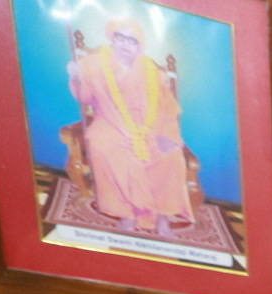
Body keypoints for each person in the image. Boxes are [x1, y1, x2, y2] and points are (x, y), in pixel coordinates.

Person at [69, 18, 190, 236]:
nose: (125, 44)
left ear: (139, 46)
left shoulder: (152, 71)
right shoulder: (94, 63)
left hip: (149, 126)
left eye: (132, 40)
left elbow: (165, 108)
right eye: (120, 37)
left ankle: (162, 215)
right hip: (109, 122)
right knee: (104, 146)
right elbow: (85, 97)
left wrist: (167, 134)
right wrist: (77, 77)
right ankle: (127, 213)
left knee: (171, 156)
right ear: (112, 38)